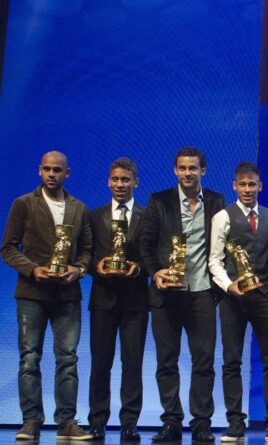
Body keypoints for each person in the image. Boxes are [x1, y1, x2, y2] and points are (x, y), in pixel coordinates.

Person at [1, 151, 93, 440]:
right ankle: (31, 420)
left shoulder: (79, 208)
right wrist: (33, 270)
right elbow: (8, 248)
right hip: (32, 293)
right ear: (39, 171)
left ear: (68, 173)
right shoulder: (24, 204)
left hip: (67, 295)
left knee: (68, 358)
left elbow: (88, 251)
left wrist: (78, 270)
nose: (52, 174)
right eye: (47, 169)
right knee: (30, 358)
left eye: (57, 170)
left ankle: (66, 422)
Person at [139, 147, 226, 442]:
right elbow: (145, 244)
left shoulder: (216, 202)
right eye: (182, 168)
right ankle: (171, 421)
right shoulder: (159, 201)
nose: (188, 173)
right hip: (166, 295)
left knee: (204, 361)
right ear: (175, 171)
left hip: (202, 292)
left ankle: (201, 422)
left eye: (193, 168)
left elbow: (224, 247)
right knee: (167, 360)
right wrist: (156, 272)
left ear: (203, 170)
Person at [208, 161, 268, 442]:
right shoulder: (223, 217)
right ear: (234, 186)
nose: (247, 190)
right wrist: (229, 286)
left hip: (264, 295)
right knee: (232, 360)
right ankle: (234, 422)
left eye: (251, 184)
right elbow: (214, 261)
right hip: (233, 298)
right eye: (242, 185)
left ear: (260, 186)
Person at [86, 158, 148, 441]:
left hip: (136, 300)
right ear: (108, 182)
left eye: (126, 180)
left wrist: (139, 268)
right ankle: (97, 420)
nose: (120, 184)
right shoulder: (94, 215)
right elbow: (84, 253)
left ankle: (129, 421)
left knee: (132, 363)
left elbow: (154, 256)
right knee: (100, 362)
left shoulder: (148, 217)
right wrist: (94, 267)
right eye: (115, 179)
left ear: (135, 182)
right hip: (103, 298)